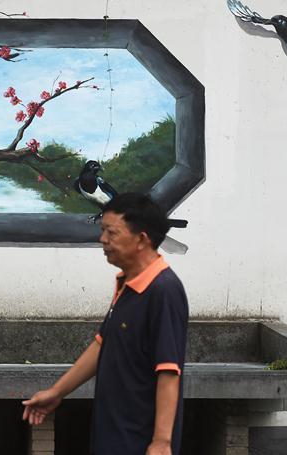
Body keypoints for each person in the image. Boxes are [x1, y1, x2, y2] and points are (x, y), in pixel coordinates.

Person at [22, 192, 189, 455]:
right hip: (113, 431)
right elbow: (103, 343)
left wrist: (161, 442)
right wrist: (57, 392)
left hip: (140, 439)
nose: (103, 240)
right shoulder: (127, 283)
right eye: (103, 231)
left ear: (141, 240)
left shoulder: (163, 290)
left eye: (111, 233)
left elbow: (168, 370)